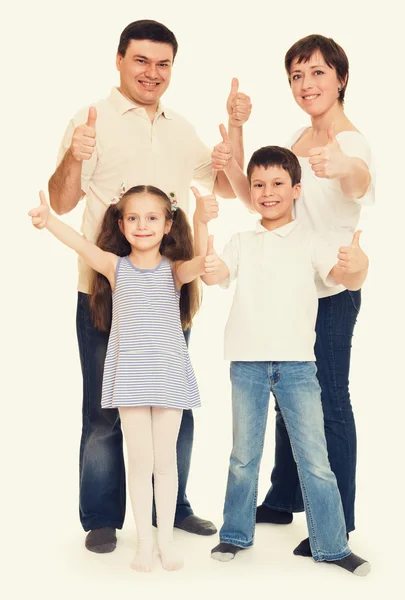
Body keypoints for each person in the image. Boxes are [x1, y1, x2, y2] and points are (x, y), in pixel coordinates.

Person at [48, 19, 252, 552]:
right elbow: (63, 200)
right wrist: (74, 153)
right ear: (119, 60)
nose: (152, 73)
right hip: (105, 291)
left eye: (163, 64)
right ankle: (101, 516)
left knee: (172, 405)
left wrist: (233, 135)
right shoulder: (91, 120)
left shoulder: (180, 127)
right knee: (103, 409)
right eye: (141, 60)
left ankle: (174, 506)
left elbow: (228, 188)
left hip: (166, 294)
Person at [210, 34, 375, 557]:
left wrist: (342, 166)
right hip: (289, 291)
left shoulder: (351, 141)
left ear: (341, 78)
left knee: (328, 403)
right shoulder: (299, 139)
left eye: (318, 73)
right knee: (287, 397)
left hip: (329, 290)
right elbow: (254, 195)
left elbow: (360, 181)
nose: (307, 85)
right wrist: (237, 128)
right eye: (297, 76)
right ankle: (283, 497)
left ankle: (338, 521)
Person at [193, 146, 370, 576]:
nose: (267, 192)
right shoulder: (241, 242)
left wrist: (359, 265)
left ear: (296, 190)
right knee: (243, 457)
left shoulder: (312, 242)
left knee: (315, 459)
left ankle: (332, 543)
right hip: (248, 365)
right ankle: (234, 534)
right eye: (258, 184)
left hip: (296, 367)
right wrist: (201, 226)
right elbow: (212, 275)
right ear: (250, 191)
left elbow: (345, 278)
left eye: (277, 184)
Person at [29, 185, 217, 571]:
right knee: (140, 460)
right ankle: (143, 543)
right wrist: (49, 221)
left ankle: (165, 539)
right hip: (130, 378)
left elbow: (201, 260)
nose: (142, 225)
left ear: (168, 224)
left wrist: (201, 219)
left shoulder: (174, 270)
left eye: (152, 218)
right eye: (133, 217)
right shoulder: (116, 267)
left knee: (165, 463)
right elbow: (81, 244)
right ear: (120, 223)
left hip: (167, 378)